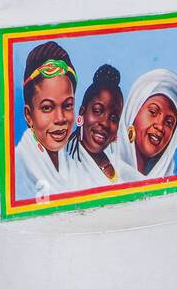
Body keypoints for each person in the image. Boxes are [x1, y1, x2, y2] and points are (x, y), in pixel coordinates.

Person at [14, 40, 77, 199]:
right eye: (47, 108)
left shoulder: (74, 159)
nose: (60, 118)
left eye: (68, 105)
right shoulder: (18, 168)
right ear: (29, 115)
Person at [112, 68, 177, 180]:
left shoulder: (168, 178)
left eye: (169, 122)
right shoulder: (106, 169)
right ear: (133, 112)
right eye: (153, 112)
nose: (160, 126)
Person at [64, 63, 126, 185]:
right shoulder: (65, 162)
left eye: (114, 118)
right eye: (97, 111)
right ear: (82, 113)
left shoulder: (119, 157)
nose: (105, 123)